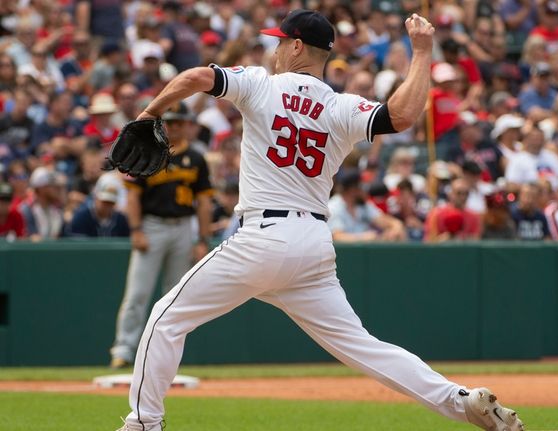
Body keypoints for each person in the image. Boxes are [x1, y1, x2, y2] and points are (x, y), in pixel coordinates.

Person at [114, 10, 523, 431]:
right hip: (312, 244)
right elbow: (401, 116)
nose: (274, 50)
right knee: (364, 347)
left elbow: (197, 77)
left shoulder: (259, 83)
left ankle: (143, 423)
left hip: (264, 237)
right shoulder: (340, 105)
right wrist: (421, 53)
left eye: (279, 42)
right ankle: (461, 401)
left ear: (294, 46)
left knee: (166, 316)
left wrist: (150, 114)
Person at [109, 102, 214, 370]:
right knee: (137, 294)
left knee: (175, 296)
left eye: (180, 122)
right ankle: (123, 350)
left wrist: (202, 239)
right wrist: (136, 229)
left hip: (183, 228)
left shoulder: (197, 158)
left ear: (187, 125)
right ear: (163, 124)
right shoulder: (149, 151)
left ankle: (165, 355)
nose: (175, 126)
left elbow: (204, 203)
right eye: (171, 122)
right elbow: (133, 196)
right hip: (152, 225)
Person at [66, 173, 130, 238]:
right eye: (104, 201)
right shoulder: (81, 217)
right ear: (96, 198)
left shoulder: (120, 220)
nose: (107, 206)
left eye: (110, 202)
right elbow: (77, 244)